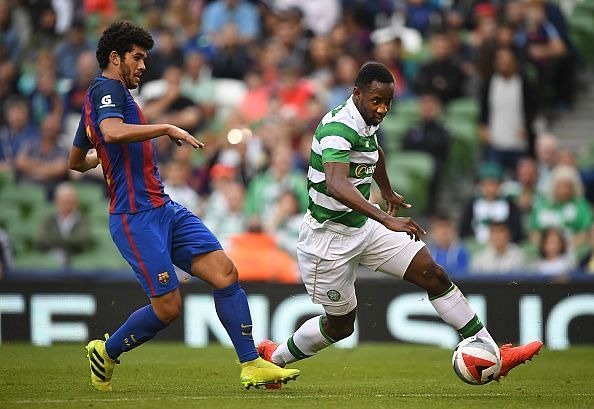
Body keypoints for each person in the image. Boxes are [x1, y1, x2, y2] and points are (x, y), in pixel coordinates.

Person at [256, 62, 542, 384]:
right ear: (357, 94)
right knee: (340, 326)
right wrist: (385, 218)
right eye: (376, 101)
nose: (383, 109)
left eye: (388, 103)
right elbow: (337, 184)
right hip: (328, 241)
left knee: (433, 274)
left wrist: (387, 189)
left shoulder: (365, 120)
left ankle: (494, 353)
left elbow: (373, 152)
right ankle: (274, 358)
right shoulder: (337, 128)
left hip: (363, 227)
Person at [68, 21, 298, 392]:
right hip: (135, 218)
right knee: (169, 308)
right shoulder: (106, 89)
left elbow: (76, 160)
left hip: (165, 209)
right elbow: (110, 132)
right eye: (137, 58)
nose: (143, 66)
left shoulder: (102, 99)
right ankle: (107, 352)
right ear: (115, 58)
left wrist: (98, 160)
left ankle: (251, 364)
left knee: (225, 273)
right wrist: (166, 128)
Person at [35, 182, 92, 268]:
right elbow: (42, 239)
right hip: (50, 260)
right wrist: (69, 242)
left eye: (70, 200)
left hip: (76, 258)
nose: (67, 204)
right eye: (64, 201)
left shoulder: (82, 220)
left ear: (76, 202)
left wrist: (56, 241)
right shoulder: (48, 220)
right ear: (57, 201)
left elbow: (82, 240)